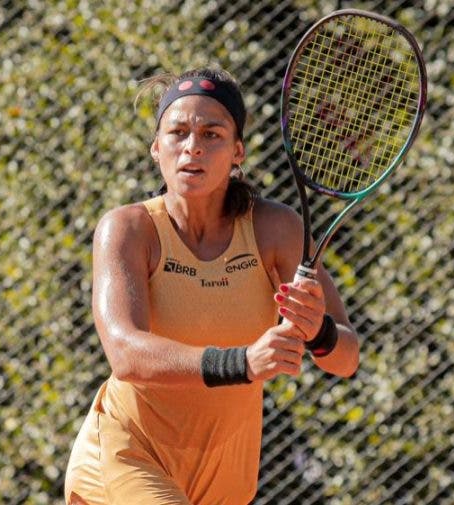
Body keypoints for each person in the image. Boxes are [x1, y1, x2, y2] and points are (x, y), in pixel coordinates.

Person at [64, 67, 359, 505]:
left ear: (238, 151)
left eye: (212, 134)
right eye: (177, 132)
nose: (192, 147)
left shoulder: (276, 229)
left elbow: (346, 359)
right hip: (128, 457)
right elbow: (126, 353)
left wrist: (319, 331)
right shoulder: (128, 229)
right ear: (155, 148)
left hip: (226, 476)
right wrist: (243, 362)